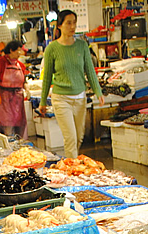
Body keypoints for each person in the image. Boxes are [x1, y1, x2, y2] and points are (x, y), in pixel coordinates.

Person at [39, 10, 104, 158]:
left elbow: (90, 71)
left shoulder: (82, 46)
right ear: (60, 25)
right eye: (68, 23)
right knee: (70, 138)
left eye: (74, 22)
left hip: (80, 98)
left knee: (79, 137)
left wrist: (98, 92)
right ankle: (72, 173)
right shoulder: (52, 49)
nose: (72, 26)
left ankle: (70, 164)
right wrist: (43, 101)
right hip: (61, 99)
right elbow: (47, 77)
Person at [0, 40, 29, 138]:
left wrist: (27, 89)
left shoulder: (20, 65)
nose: (20, 53)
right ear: (11, 50)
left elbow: (24, 79)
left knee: (19, 124)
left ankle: (20, 147)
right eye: (18, 51)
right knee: (7, 126)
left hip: (17, 99)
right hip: (4, 99)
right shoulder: (1, 62)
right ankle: (9, 147)